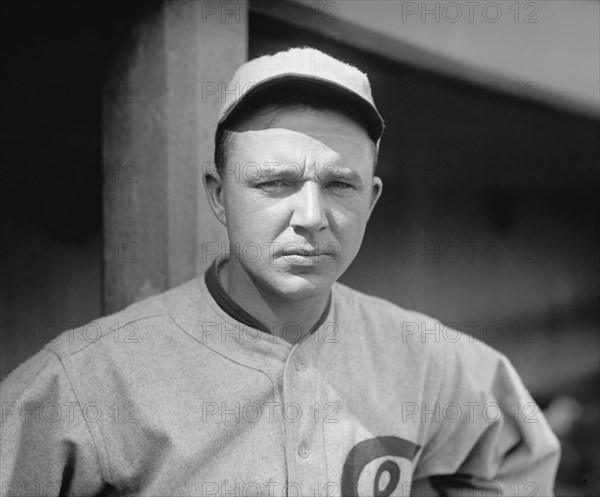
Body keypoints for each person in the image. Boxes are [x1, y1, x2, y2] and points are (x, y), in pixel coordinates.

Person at [0, 47, 560, 497]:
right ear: (219, 197)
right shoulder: (87, 380)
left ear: (372, 197)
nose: (312, 218)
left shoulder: (423, 356)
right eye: (275, 184)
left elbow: (518, 457)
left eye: (340, 185)